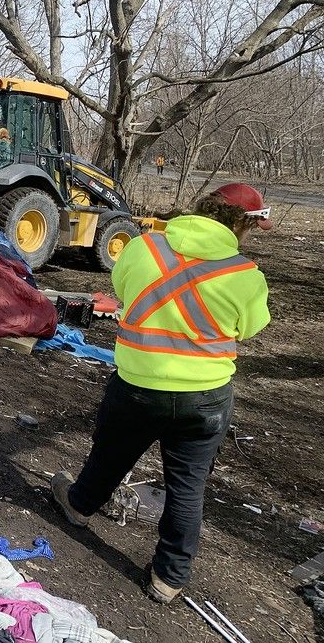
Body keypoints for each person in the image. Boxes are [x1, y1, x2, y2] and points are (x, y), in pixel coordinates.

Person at [50, 183, 271, 604]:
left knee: (110, 453)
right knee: (187, 486)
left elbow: (122, 287)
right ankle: (169, 577)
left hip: (138, 385)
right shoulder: (245, 275)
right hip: (204, 395)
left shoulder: (145, 247)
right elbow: (250, 328)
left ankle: (79, 506)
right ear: (243, 224)